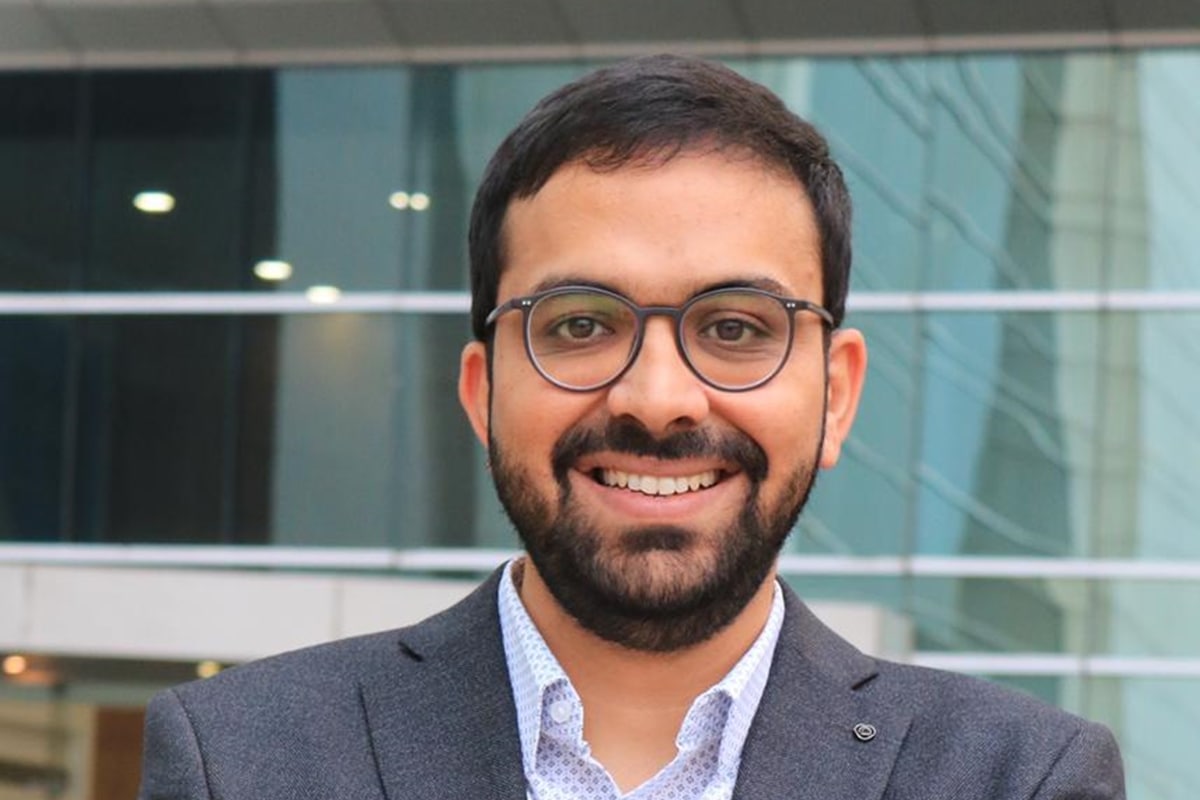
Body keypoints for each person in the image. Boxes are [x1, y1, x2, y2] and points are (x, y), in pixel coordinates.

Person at [138, 55, 1125, 799]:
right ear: (482, 391)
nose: (658, 399)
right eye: (579, 324)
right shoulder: (242, 759)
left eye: (735, 327)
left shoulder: (1019, 776)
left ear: (837, 394)